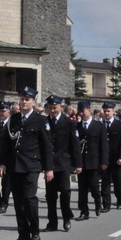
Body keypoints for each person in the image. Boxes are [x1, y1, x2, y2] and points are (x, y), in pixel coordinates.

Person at [0, 86, 54, 240]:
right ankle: (23, 234)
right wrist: (2, 162)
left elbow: (47, 146)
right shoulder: (13, 119)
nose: (24, 102)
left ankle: (34, 230)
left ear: (33, 102)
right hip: (14, 165)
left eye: (27, 99)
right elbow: (6, 144)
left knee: (29, 199)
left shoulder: (41, 120)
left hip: (31, 165)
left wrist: (49, 168)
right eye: (22, 99)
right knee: (17, 201)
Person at [42, 95, 81, 232]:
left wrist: (78, 164)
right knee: (50, 196)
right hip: (49, 164)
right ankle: (52, 222)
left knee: (65, 192)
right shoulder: (44, 122)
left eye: (55, 107)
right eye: (50, 108)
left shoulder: (69, 122)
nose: (53, 110)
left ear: (60, 107)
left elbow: (75, 144)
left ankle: (66, 218)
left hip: (64, 162)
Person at [76, 101, 108, 219]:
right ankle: (84, 211)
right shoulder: (77, 126)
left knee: (94, 186)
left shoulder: (98, 126)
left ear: (89, 110)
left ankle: (98, 202)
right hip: (81, 162)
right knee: (82, 189)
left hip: (94, 162)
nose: (81, 114)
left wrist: (104, 161)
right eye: (80, 111)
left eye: (83, 111)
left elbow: (104, 145)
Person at [100, 102, 121, 211]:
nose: (106, 113)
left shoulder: (119, 125)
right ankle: (106, 205)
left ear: (113, 112)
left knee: (118, 182)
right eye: (105, 111)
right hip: (105, 159)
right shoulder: (100, 125)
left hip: (116, 159)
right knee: (105, 183)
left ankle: (120, 200)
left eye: (108, 111)